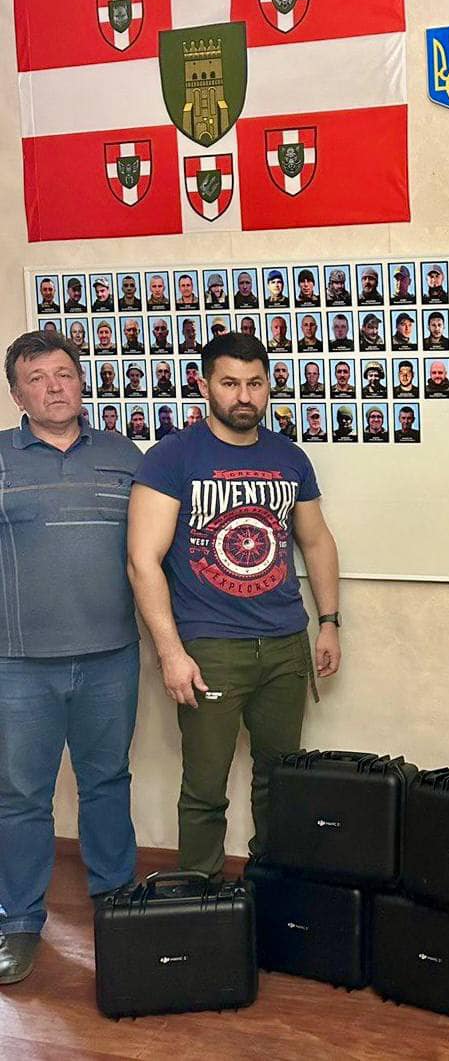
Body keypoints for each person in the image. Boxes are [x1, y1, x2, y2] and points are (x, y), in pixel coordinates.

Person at [127, 333, 342, 877]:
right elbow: (142, 561)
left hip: (285, 643)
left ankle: (272, 888)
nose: (244, 396)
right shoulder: (172, 457)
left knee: (280, 779)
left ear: (269, 386)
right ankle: (201, 897)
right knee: (205, 788)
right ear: (204, 386)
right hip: (210, 647)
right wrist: (170, 652)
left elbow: (317, 541)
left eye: (255, 383)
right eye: (229, 383)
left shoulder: (289, 457)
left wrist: (330, 623)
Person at [0, 332, 142, 986]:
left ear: (82, 381)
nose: (54, 386)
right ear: (17, 394)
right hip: (18, 664)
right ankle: (19, 920)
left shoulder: (124, 455)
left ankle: (116, 902)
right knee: (20, 795)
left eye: (64, 373)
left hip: (112, 656)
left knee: (107, 780)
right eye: (37, 377)